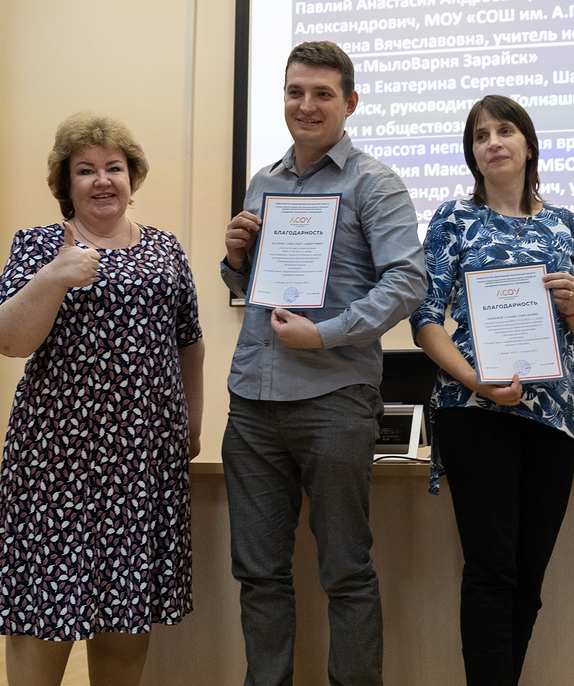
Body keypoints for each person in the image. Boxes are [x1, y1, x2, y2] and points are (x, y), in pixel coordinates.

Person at [220, 41, 427, 686]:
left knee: (345, 572)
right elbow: (248, 290)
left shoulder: (375, 183)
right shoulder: (265, 181)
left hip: (334, 398)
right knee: (258, 573)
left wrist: (327, 334)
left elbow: (406, 282)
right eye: (294, 92)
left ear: (350, 103)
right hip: (252, 400)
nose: (306, 106)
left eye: (322, 94)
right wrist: (233, 259)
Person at [0, 112, 205, 686]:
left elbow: (190, 344)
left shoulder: (164, 251)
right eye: (86, 170)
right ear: (66, 184)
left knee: (126, 611)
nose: (103, 180)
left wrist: (192, 428)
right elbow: (7, 338)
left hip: (142, 461)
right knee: (42, 609)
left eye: (114, 167)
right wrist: (55, 276)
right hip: (55, 461)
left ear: (133, 176)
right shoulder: (38, 247)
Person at [410, 94, 574, 685]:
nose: (492, 142)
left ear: (528, 142)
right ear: (472, 153)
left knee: (528, 574)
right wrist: (477, 382)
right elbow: (424, 321)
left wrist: (573, 306)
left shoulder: (563, 223)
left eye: (504, 130)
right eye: (480, 135)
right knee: (492, 570)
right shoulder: (452, 217)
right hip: (474, 409)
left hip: (552, 420)